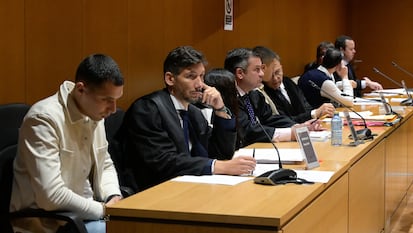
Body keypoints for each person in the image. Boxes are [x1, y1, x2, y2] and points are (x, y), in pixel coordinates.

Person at [10, 54, 124, 233]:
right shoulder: (43, 119)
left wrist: (113, 195)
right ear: (80, 90)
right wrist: (104, 211)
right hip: (50, 223)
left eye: (116, 99)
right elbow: (51, 196)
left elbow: (105, 162)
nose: (113, 109)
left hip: (87, 214)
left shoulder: (94, 112)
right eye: (106, 100)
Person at [119, 46, 256, 192]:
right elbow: (164, 162)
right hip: (155, 192)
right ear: (170, 79)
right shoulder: (148, 109)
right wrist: (217, 166)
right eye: (191, 77)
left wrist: (220, 109)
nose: (200, 85)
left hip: (190, 187)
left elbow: (221, 154)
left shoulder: (193, 113)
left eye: (202, 76)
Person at [223, 48, 323, 148]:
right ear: (240, 73)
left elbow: (270, 119)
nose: (262, 74)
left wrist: (297, 127)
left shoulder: (254, 95)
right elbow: (248, 130)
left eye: (262, 69)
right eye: (257, 69)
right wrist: (290, 133)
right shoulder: (227, 98)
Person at [253, 46, 335, 123]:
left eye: (277, 72)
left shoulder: (287, 82)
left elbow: (306, 107)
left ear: (281, 66)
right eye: (270, 75)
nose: (275, 78)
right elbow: (282, 121)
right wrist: (314, 113)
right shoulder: (263, 92)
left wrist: (319, 114)